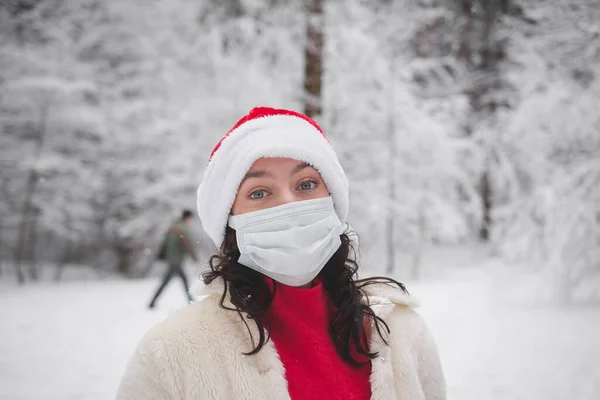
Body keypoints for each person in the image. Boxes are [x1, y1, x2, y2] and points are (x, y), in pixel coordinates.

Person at [118, 107, 446, 399]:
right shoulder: (171, 354)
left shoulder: (402, 334)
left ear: (333, 202)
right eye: (259, 192)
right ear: (230, 223)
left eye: (306, 184)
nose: (289, 204)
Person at [148, 209, 197, 308]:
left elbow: (166, 243)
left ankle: (152, 302)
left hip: (171, 258)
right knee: (183, 280)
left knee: (167, 281)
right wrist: (194, 256)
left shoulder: (173, 227)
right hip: (176, 260)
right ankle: (191, 301)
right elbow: (187, 243)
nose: (191, 221)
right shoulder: (182, 228)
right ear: (187, 218)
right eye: (190, 218)